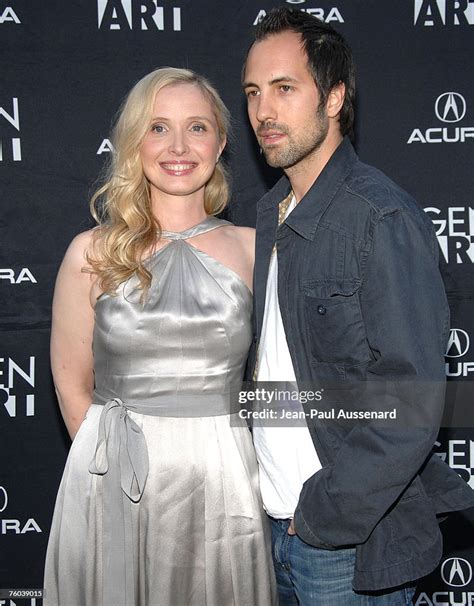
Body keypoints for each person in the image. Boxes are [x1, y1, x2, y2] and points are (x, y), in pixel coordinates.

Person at [242, 7, 474, 605]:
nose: (264, 111)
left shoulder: (379, 216)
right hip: (271, 527)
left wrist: (324, 513)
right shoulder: (270, 214)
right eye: (253, 93)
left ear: (335, 96)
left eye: (285, 89)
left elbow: (411, 401)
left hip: (344, 546)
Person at [43, 67, 276, 606]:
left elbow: (276, 374)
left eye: (196, 127)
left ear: (220, 143)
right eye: (158, 127)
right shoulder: (92, 253)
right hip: (112, 478)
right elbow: (73, 385)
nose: (178, 146)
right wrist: (104, 476)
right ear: (134, 142)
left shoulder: (256, 248)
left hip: (223, 479)